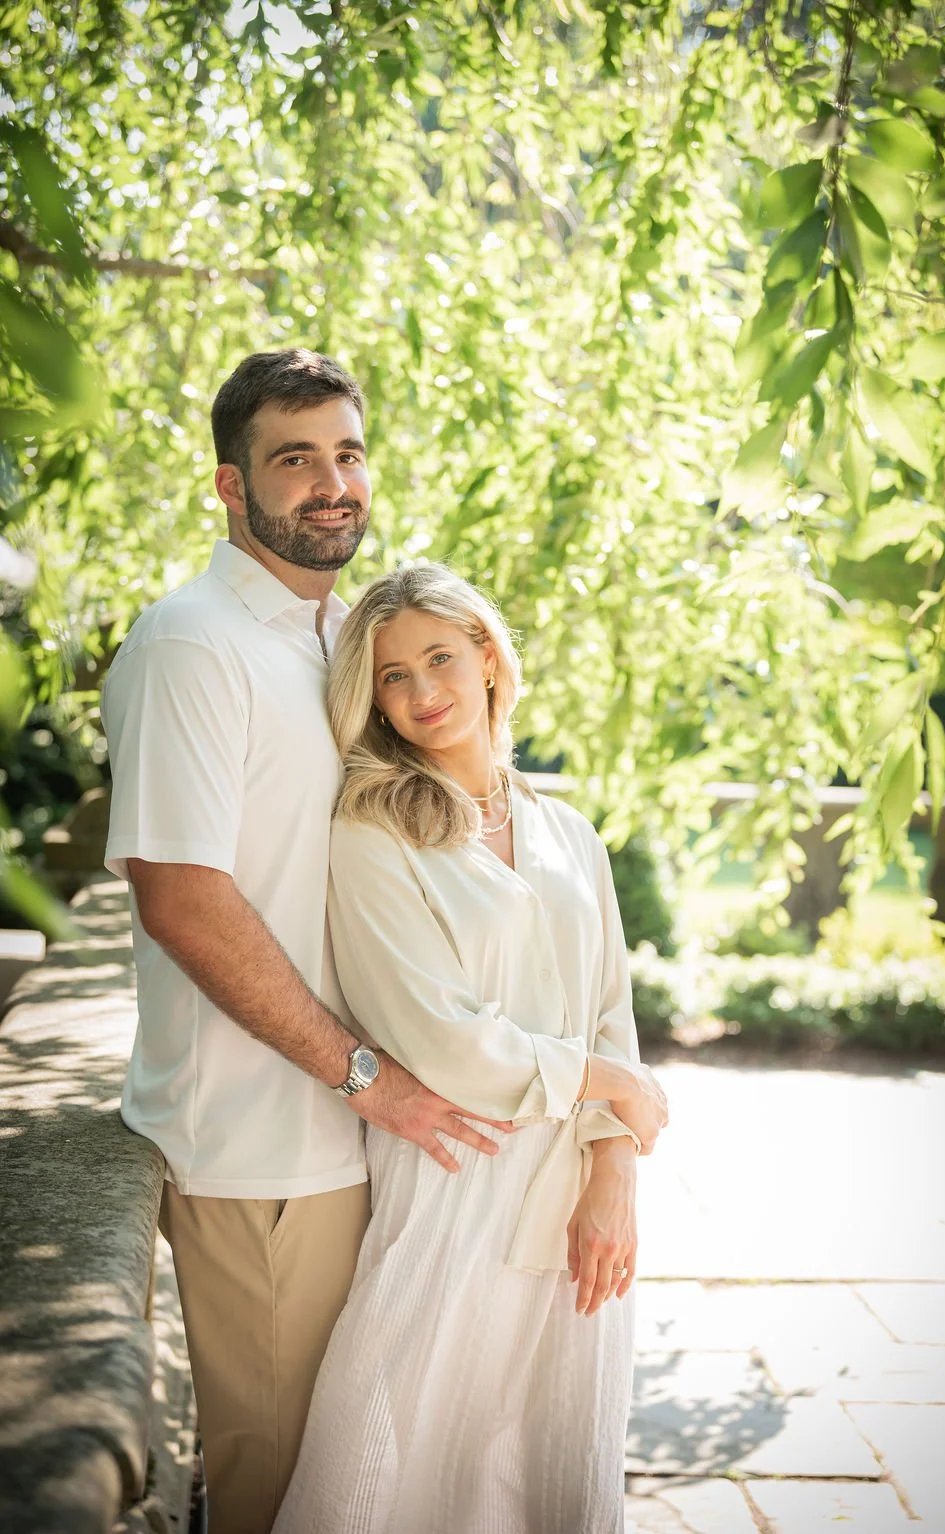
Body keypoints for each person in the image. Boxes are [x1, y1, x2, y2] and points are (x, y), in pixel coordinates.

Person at [100, 350, 519, 1534]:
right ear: (232, 489)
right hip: (266, 1142)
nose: (332, 483)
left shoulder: (334, 641)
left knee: (360, 1480)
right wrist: (364, 1075)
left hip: (355, 1135)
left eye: (348, 452)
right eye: (295, 459)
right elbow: (181, 896)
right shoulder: (193, 643)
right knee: (279, 1490)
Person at [272, 563, 669, 1534]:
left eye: (440, 659)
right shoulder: (370, 832)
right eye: (392, 676)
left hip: (575, 1187)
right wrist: (609, 1081)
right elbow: (437, 1037)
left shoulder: (569, 833)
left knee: (549, 1451)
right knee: (391, 1445)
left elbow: (608, 1008)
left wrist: (612, 1166)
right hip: (454, 1172)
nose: (419, 694)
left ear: (490, 657)